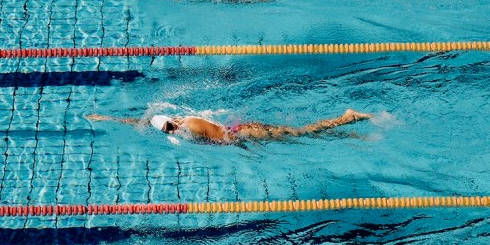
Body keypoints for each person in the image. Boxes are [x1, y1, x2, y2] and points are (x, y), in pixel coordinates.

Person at [85, 108, 373, 144]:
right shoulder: (178, 121)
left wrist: (243, 149)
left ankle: (346, 118)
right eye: (166, 132)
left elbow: (221, 140)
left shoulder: (190, 126)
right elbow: (144, 122)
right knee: (302, 137)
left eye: (169, 128)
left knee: (303, 133)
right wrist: (109, 119)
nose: (170, 132)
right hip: (240, 130)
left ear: (172, 123)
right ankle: (348, 132)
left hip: (244, 134)